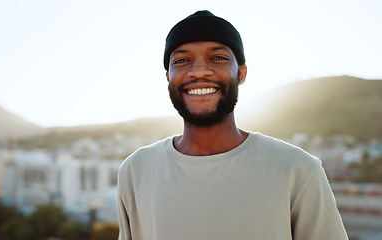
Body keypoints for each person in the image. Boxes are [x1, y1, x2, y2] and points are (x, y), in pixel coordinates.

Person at [117, 10, 348, 240]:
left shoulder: (297, 170)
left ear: (241, 73)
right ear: (168, 76)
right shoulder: (136, 170)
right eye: (182, 60)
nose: (198, 71)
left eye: (218, 58)